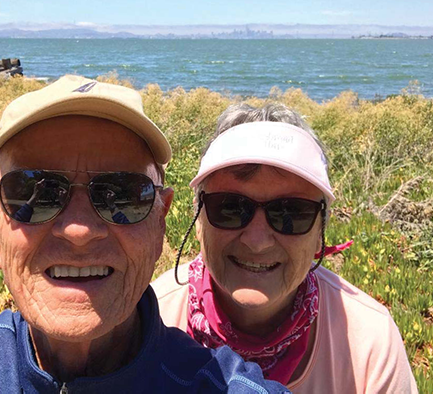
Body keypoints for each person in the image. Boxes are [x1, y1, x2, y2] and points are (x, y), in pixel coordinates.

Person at [0, 76, 290, 393]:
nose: (79, 230)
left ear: (160, 223)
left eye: (121, 194)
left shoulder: (221, 387)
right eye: (36, 193)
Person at [152, 103, 418, 393]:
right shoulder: (148, 321)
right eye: (230, 208)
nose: (257, 240)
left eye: (290, 213)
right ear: (199, 219)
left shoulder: (369, 344)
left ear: (321, 232)